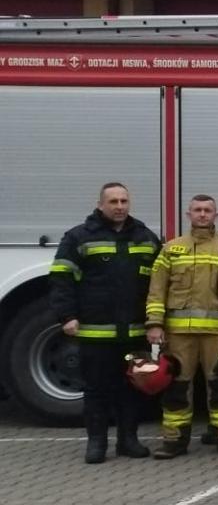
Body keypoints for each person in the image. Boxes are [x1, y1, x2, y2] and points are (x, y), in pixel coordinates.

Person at [52, 182, 162, 463]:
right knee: (97, 390)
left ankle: (128, 441)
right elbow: (62, 279)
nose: (119, 206)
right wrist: (67, 316)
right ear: (101, 204)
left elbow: (160, 283)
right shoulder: (79, 237)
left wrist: (156, 322)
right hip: (95, 333)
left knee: (133, 387)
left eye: (124, 201)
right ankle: (97, 443)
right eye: (113, 201)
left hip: (134, 332)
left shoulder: (145, 237)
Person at [145, 194, 218, 459]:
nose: (202, 214)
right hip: (178, 334)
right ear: (188, 214)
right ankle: (174, 440)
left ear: (217, 215)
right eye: (197, 210)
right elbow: (156, 290)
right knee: (177, 387)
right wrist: (155, 324)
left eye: (207, 210)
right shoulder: (172, 249)